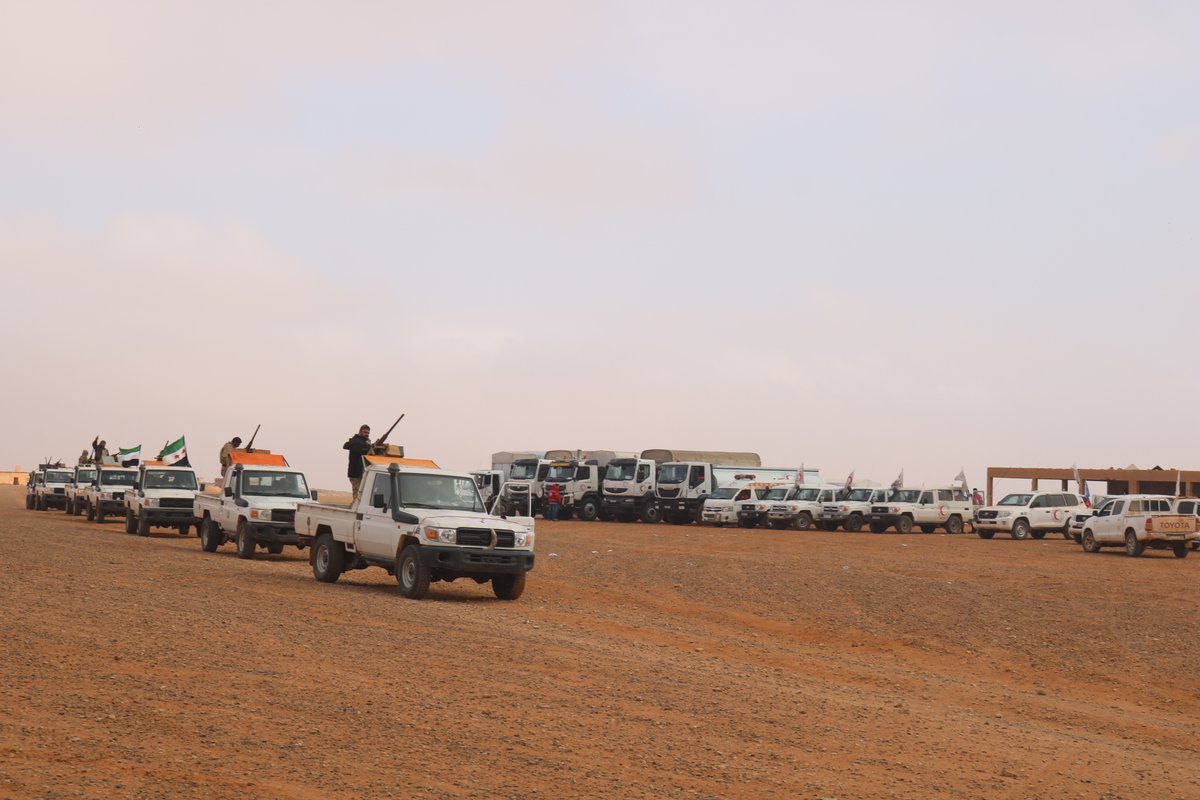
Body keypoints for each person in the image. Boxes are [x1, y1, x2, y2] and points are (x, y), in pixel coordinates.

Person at [344, 424, 372, 499]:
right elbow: (348, 446)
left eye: (368, 433)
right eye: (365, 432)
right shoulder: (356, 442)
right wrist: (368, 447)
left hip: (361, 472)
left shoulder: (365, 442)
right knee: (357, 494)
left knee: (361, 493)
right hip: (355, 473)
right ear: (360, 432)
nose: (367, 434)